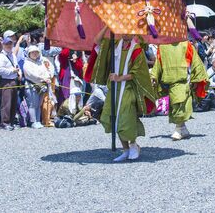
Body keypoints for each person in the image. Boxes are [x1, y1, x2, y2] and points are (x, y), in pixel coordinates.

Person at [86, 26, 156, 162]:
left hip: (128, 88)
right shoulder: (115, 44)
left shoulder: (137, 50)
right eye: (123, 31)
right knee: (114, 118)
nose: (125, 34)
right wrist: (107, 26)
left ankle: (133, 144)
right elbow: (97, 40)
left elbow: (138, 73)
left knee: (126, 117)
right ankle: (125, 149)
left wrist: (119, 78)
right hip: (114, 89)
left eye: (128, 32)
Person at [151, 40, 208, 141]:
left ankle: (178, 129)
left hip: (183, 79)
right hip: (169, 80)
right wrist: (154, 76)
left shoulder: (186, 45)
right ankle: (183, 129)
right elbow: (158, 63)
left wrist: (197, 77)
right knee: (175, 104)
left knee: (179, 103)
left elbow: (195, 61)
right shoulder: (163, 46)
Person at [24, 45, 53, 129]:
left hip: (42, 86)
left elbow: (46, 71)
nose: (35, 54)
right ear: (29, 53)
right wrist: (42, 78)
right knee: (33, 104)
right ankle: (33, 121)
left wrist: (48, 77)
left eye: (36, 52)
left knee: (39, 104)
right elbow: (30, 74)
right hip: (31, 86)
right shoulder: (27, 63)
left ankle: (38, 120)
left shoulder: (40, 62)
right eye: (32, 52)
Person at [0, 37, 21, 131]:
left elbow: (17, 66)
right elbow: (0, 70)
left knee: (14, 102)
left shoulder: (13, 55)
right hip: (5, 81)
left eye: (10, 44)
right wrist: (12, 71)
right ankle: (4, 122)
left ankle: (11, 121)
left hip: (14, 80)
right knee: (6, 103)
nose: (9, 46)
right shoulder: (0, 56)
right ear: (3, 45)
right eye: (7, 44)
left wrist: (19, 72)